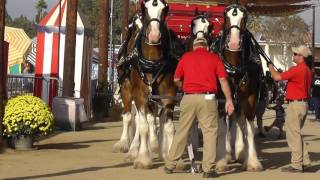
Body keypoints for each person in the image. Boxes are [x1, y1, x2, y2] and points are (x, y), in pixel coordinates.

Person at [164, 37, 234, 178]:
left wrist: (185, 87)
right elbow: (223, 81)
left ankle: (170, 165)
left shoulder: (185, 57)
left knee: (182, 132)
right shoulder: (214, 58)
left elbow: (176, 79)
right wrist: (229, 100)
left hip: (188, 97)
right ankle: (208, 169)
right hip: (208, 98)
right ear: (207, 47)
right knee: (209, 133)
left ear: (194, 47)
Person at [267, 45, 312, 173]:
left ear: (301, 56)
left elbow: (277, 77)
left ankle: (297, 164)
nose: (293, 56)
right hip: (303, 104)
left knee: (293, 135)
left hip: (296, 105)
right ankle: (306, 161)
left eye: (295, 54)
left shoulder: (297, 69)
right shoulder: (307, 70)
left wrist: (270, 67)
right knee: (296, 134)